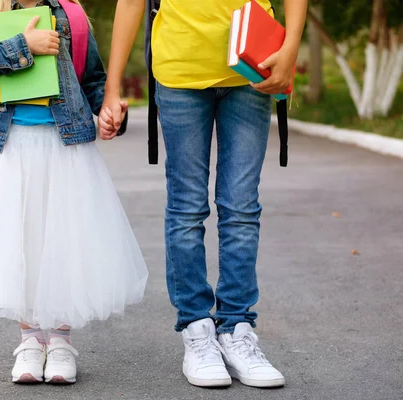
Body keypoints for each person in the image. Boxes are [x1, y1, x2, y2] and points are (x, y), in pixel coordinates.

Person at [0, 0, 148, 385]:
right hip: (7, 147)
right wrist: (20, 45)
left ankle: (60, 340)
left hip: (64, 147)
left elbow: (92, 80)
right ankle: (30, 339)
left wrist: (110, 113)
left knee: (62, 239)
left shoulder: (72, 15)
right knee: (22, 240)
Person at [101, 0, 307, 389]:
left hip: (252, 67)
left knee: (242, 207)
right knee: (186, 208)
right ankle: (196, 329)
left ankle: (237, 329)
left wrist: (291, 48)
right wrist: (112, 89)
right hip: (180, 69)